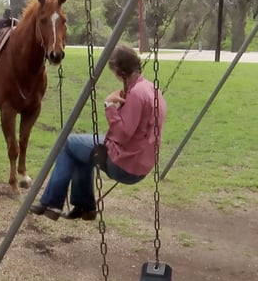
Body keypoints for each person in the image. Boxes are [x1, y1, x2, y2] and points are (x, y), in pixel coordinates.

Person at [30, 44, 167, 221]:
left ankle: (52, 204)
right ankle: (84, 207)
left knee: (68, 143)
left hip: (124, 164)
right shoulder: (151, 89)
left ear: (119, 70)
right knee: (81, 149)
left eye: (114, 72)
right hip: (142, 162)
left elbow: (123, 134)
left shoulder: (136, 95)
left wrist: (109, 105)